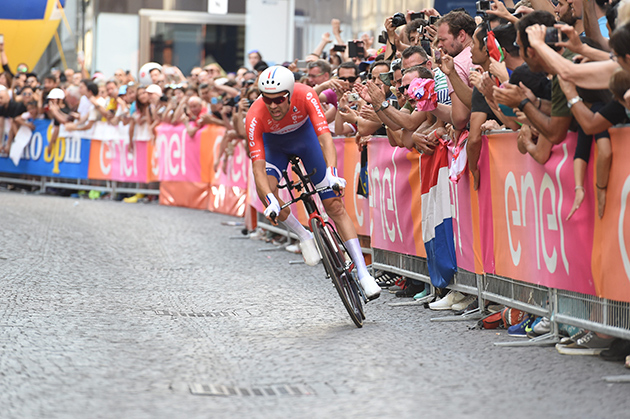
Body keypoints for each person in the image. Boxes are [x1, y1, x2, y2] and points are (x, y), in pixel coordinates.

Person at [245, 65, 381, 300]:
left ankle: (363, 272)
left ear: (289, 93)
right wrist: (270, 200)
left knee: (335, 206)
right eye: (268, 100)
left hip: (305, 141)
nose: (274, 105)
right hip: (274, 147)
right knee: (265, 188)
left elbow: (326, 139)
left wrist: (332, 173)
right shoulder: (255, 114)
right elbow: (257, 167)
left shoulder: (306, 93)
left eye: (279, 99)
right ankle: (304, 234)